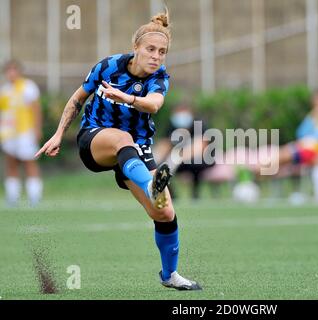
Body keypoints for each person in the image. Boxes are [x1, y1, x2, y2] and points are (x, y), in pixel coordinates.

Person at [35, 10, 201, 290]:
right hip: (96, 139)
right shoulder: (107, 66)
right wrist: (59, 133)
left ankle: (170, 275)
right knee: (122, 138)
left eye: (162, 52)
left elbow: (154, 105)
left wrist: (126, 97)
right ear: (135, 47)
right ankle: (151, 185)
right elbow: (78, 98)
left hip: (136, 149)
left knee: (165, 213)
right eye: (150, 49)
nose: (156, 56)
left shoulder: (159, 78)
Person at [0, 60, 43, 206]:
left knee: (29, 162)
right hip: (9, 133)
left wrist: (37, 129)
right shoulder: (4, 90)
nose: (11, 73)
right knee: (11, 163)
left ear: (19, 72)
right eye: (8, 70)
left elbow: (36, 109)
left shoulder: (28, 87)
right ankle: (13, 197)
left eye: (14, 70)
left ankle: (34, 196)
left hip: (26, 132)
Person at [154, 104, 215, 199]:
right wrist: (158, 157)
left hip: (201, 158)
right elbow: (165, 144)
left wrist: (179, 156)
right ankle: (171, 195)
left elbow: (201, 146)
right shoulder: (172, 126)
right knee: (163, 167)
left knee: (196, 164)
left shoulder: (198, 124)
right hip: (178, 159)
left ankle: (195, 194)